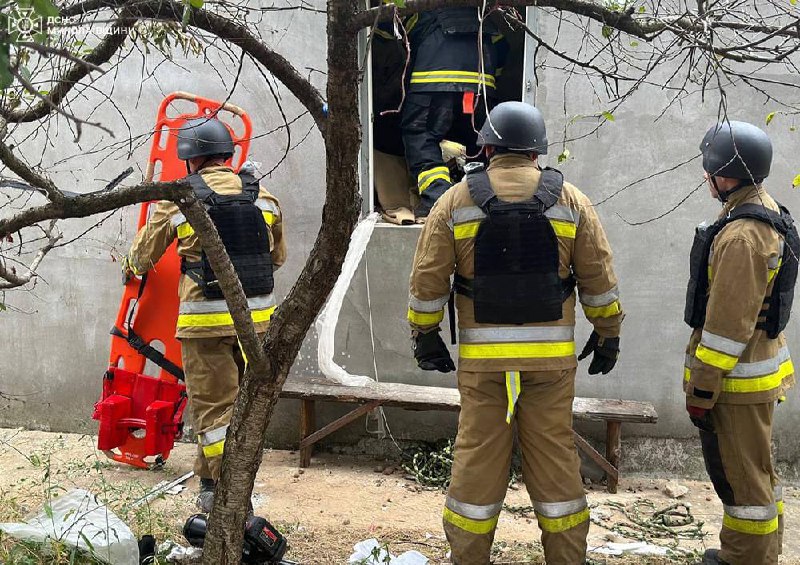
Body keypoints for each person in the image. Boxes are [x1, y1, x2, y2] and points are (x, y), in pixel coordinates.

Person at [407, 101, 624, 564]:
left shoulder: (454, 201)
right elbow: (599, 279)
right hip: (550, 368)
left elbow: (428, 280)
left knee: (475, 468)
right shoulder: (572, 201)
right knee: (557, 469)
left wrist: (425, 335)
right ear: (536, 152)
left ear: (485, 148)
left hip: (484, 368)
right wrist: (608, 334)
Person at [122, 117, 286, 512]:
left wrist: (129, 268)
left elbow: (143, 257)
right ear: (228, 156)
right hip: (258, 325)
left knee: (213, 414)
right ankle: (210, 484)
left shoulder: (179, 198)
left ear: (191, 162)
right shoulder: (263, 196)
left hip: (204, 326)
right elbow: (276, 259)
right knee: (239, 411)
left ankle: (232, 501)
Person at [684, 120, 797, 565]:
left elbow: (726, 327)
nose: (704, 175)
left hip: (736, 386)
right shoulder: (759, 210)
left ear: (724, 173)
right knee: (757, 477)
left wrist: (701, 391)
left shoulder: (742, 236)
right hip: (756, 377)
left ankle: (745, 559)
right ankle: (755, 555)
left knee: (743, 482)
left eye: (707, 167)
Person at [400, 7, 506, 220]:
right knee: (479, 142)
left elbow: (393, 38)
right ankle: (480, 200)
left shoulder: (420, 7)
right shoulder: (480, 12)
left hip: (431, 83)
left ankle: (437, 200)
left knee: (420, 135)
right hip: (479, 89)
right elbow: (503, 49)